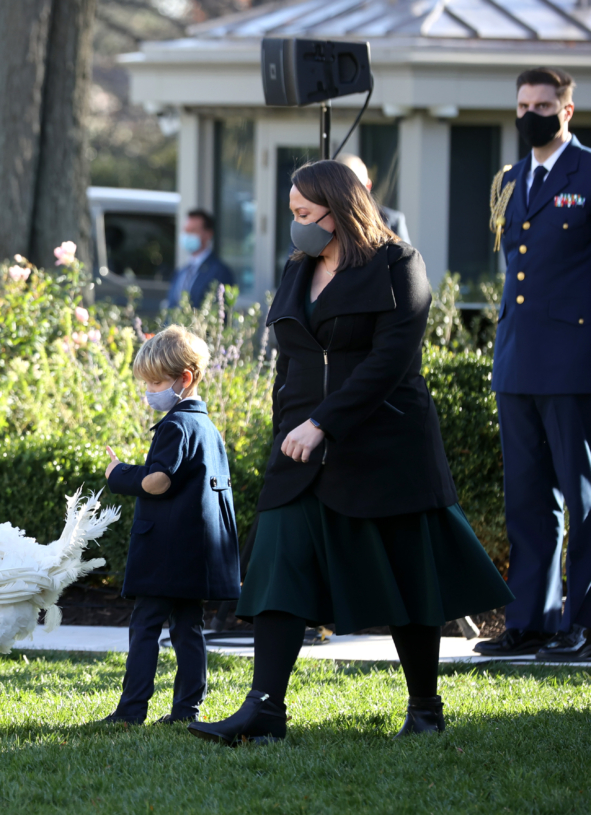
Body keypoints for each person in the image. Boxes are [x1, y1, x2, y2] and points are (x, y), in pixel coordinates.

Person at [189, 160, 512, 746]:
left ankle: (425, 708)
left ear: (339, 211)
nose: (296, 225)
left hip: (387, 448)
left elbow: (390, 364)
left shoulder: (400, 265)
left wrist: (323, 422)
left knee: (409, 579)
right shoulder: (297, 268)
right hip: (300, 450)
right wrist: (287, 423)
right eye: (293, 214)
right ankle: (264, 710)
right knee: (280, 565)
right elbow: (289, 357)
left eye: (305, 214)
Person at [475, 67, 591, 662]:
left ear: (566, 111)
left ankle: (583, 622)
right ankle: (531, 620)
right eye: (522, 104)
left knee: (583, 496)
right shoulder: (511, 179)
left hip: (575, 362)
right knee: (527, 498)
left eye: (543, 105)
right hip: (517, 359)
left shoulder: (587, 172)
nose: (531, 115)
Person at [96, 326, 241, 725]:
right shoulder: (207, 428)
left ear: (185, 378)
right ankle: (186, 710)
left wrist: (118, 473)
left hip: (165, 553)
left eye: (156, 382)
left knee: (145, 625)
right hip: (196, 553)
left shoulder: (175, 426)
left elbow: (158, 481)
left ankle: (130, 711)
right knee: (187, 628)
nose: (149, 391)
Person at [163, 210, 234, 310]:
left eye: (193, 231)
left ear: (208, 234)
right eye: (186, 230)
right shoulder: (181, 271)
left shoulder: (220, 272)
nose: (187, 235)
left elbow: (220, 312)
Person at [335, 153, 412, 243]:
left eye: (353, 186)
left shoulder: (392, 221)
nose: (346, 193)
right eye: (341, 186)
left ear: (368, 185)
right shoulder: (324, 220)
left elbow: (407, 255)